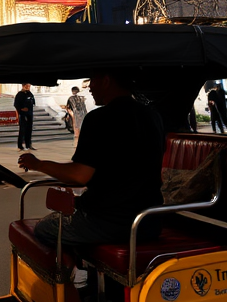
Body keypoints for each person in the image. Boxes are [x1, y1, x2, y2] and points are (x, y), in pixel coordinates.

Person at [19, 71, 164, 248]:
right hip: (149, 220)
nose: (89, 88)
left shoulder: (99, 118)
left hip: (109, 222)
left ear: (106, 80)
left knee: (45, 228)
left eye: (93, 81)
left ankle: (66, 273)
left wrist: (38, 164)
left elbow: (79, 176)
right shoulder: (152, 115)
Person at [14, 83, 36, 151]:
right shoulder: (19, 94)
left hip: (30, 114)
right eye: (27, 86)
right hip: (23, 115)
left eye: (29, 86)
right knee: (22, 130)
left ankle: (28, 144)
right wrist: (21, 110)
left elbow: (33, 103)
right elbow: (16, 105)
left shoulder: (30, 94)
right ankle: (20, 145)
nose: (28, 87)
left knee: (29, 130)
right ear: (23, 86)